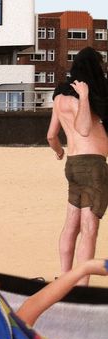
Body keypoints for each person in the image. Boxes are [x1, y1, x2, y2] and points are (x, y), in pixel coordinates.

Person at [47, 47, 108, 282]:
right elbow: (83, 129)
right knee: (89, 228)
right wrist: (84, 97)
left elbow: (52, 136)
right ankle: (82, 286)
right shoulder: (81, 95)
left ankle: (64, 279)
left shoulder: (59, 96)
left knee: (71, 225)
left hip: (72, 164)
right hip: (92, 166)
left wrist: (59, 153)